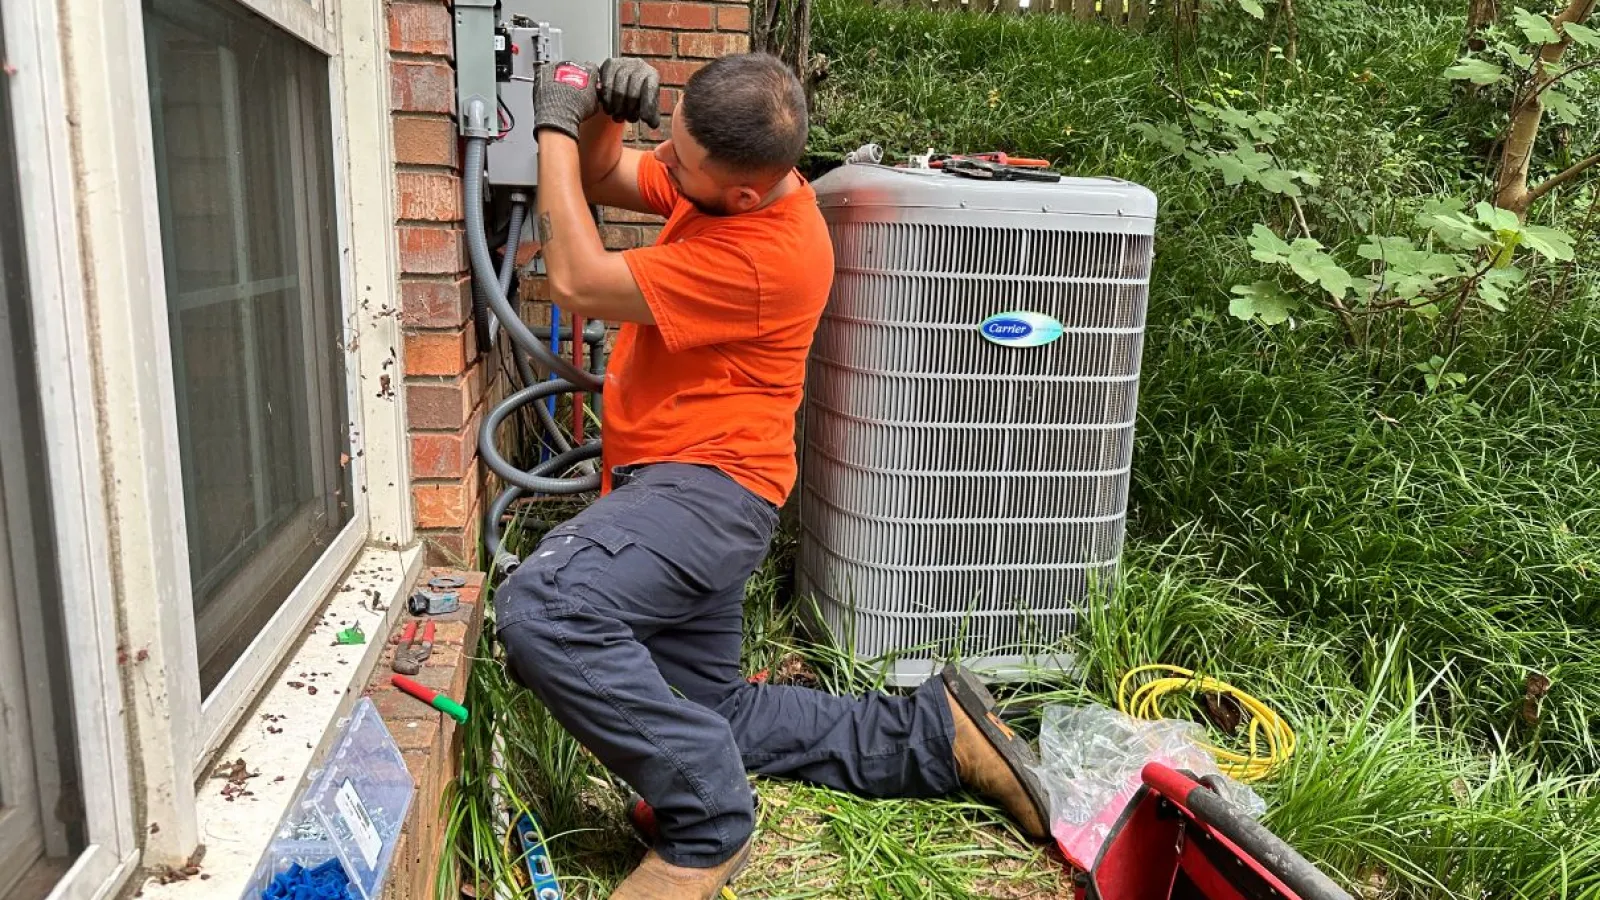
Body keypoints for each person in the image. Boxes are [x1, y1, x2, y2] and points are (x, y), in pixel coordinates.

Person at [493, 52, 1053, 899]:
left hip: (704, 491)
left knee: (545, 607)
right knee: (715, 714)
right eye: (671, 148)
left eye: (680, 164)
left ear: (745, 192)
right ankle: (935, 735)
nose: (668, 171)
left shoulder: (769, 256)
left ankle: (709, 820)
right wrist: (602, 111)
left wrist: (551, 123)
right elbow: (605, 172)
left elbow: (575, 279)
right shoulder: (725, 179)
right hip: (691, 487)